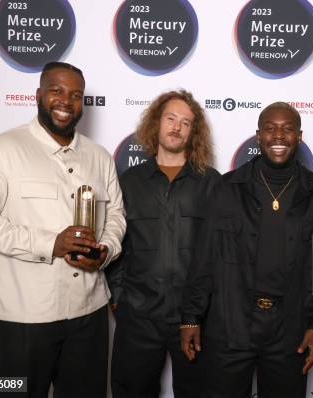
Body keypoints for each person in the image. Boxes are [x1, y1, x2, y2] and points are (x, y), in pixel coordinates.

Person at [0, 62, 126, 397]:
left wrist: (105, 252)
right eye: (56, 91)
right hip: (25, 315)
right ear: (38, 95)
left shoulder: (99, 156)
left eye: (75, 95)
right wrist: (49, 244)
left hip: (89, 312)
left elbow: (116, 216)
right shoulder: (0, 150)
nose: (66, 101)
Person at [180, 102, 313, 398]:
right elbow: (203, 259)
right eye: (270, 128)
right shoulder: (226, 189)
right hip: (229, 325)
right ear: (258, 136)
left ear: (299, 136)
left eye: (287, 128)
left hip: (289, 331)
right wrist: (191, 317)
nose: (278, 135)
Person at [106, 90, 219, 397]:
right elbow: (117, 242)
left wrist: (204, 311)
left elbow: (219, 252)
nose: (177, 127)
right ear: (156, 123)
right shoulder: (129, 182)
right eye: (171, 118)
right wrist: (118, 299)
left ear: (193, 132)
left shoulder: (212, 183)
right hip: (139, 317)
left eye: (186, 122)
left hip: (195, 319)